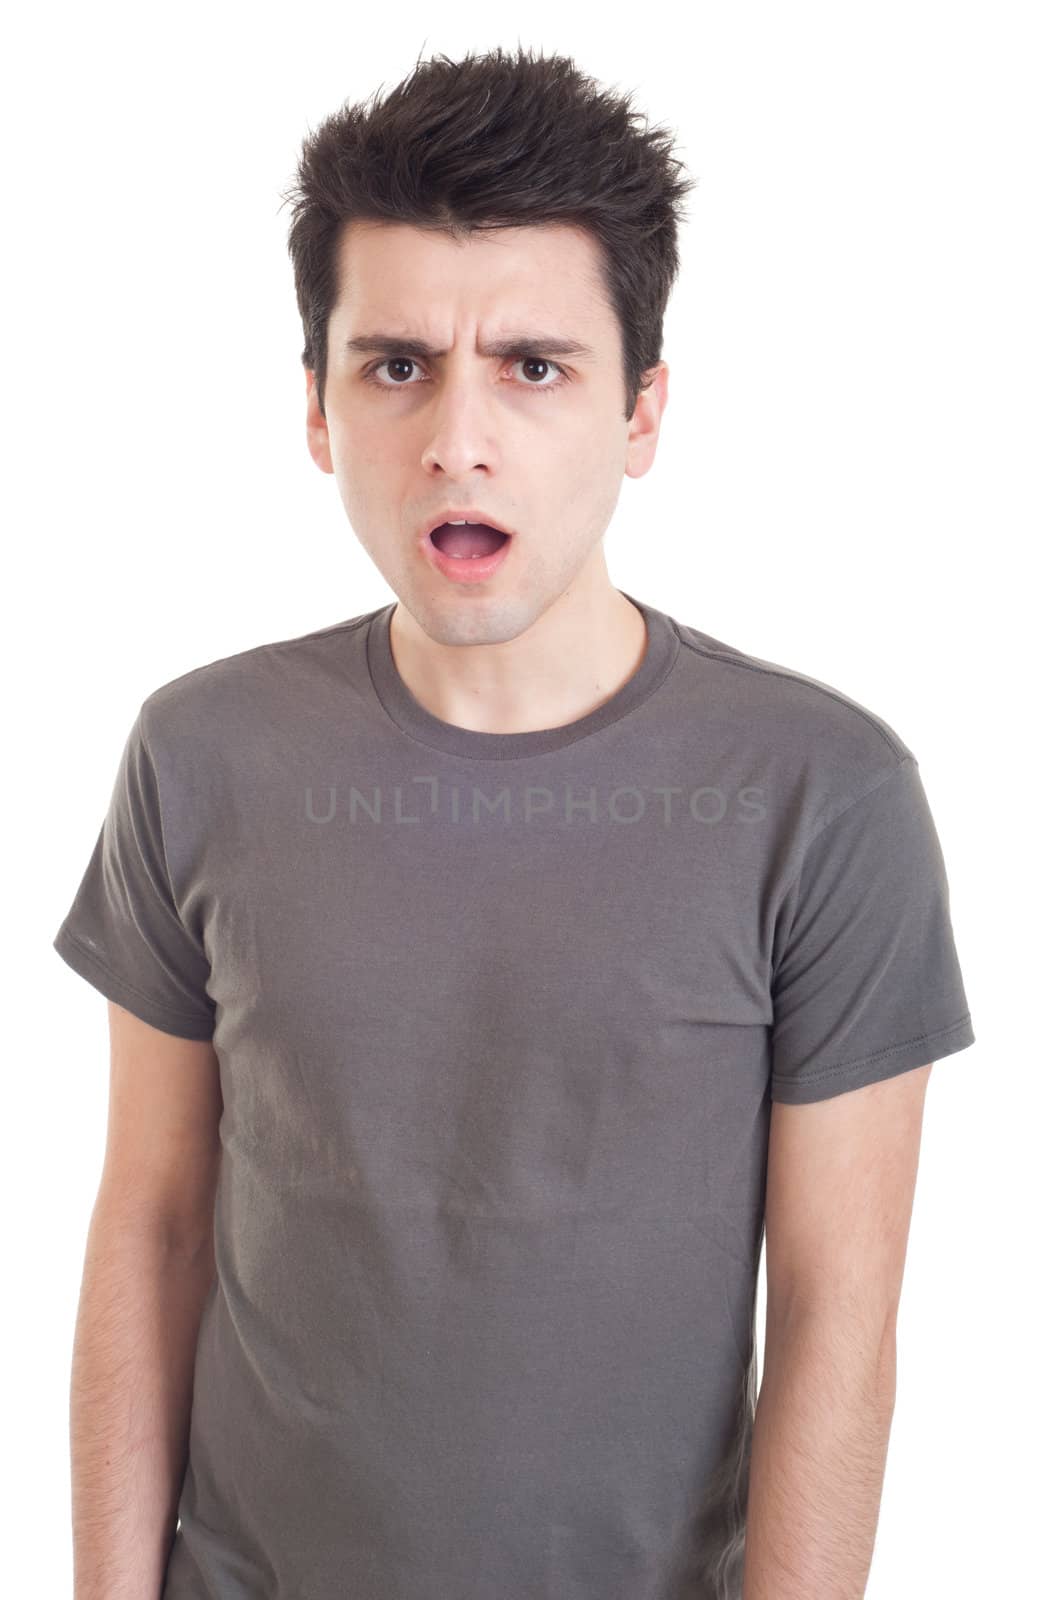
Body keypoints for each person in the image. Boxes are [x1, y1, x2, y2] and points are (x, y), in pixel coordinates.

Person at [53, 43, 975, 1600]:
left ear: (642, 412)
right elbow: (147, 1227)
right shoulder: (199, 752)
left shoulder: (825, 795)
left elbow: (837, 1318)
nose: (455, 437)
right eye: (396, 363)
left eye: (534, 367)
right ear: (318, 410)